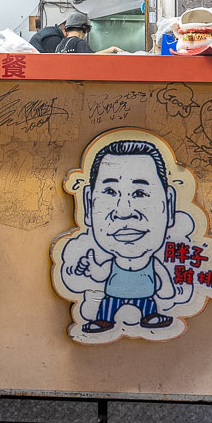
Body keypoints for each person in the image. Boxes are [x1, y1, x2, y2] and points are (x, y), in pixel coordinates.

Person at [67, 139, 177, 333]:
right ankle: (104, 320)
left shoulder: (153, 264)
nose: (124, 211)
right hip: (113, 295)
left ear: (169, 205)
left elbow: (165, 283)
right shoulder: (112, 263)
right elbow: (101, 274)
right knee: (108, 306)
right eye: (110, 191)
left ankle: (150, 316)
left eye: (140, 193)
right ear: (88, 205)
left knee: (148, 306)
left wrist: (168, 290)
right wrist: (91, 266)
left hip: (145, 295)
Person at [55, 13, 124, 54]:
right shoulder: (79, 43)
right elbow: (92, 58)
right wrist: (111, 49)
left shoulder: (60, 45)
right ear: (84, 29)